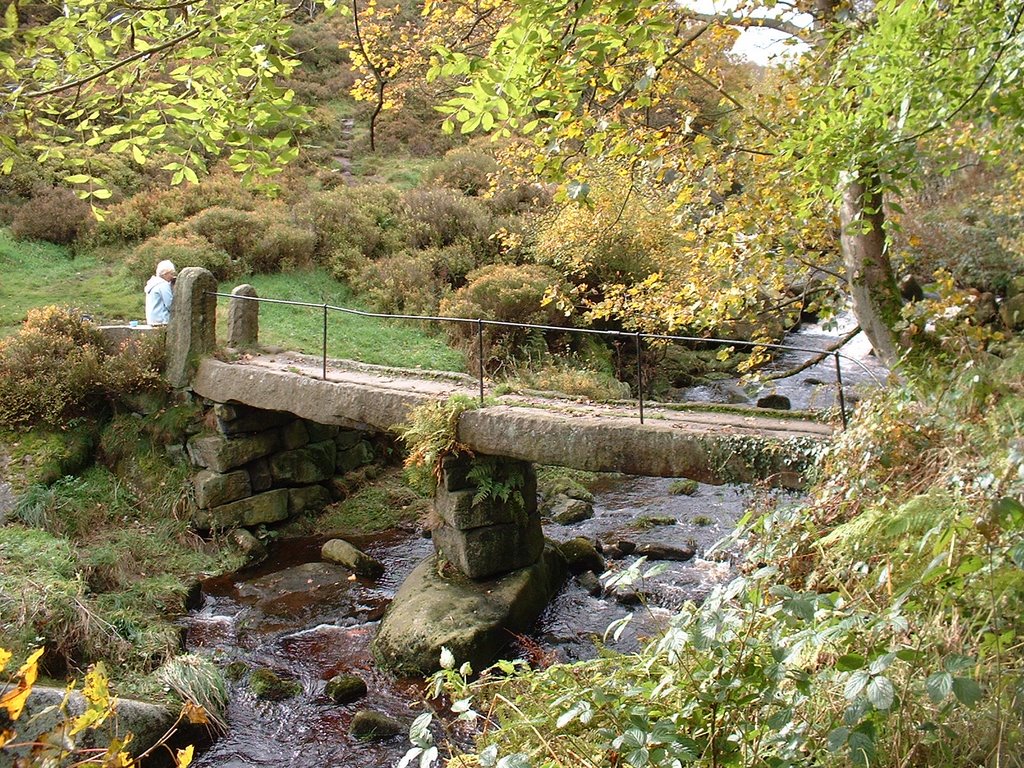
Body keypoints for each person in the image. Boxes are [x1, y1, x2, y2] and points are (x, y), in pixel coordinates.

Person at [144, 260, 177, 325]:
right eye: (171, 274)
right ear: (164, 274)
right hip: (162, 321)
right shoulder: (163, 285)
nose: (172, 276)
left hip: (152, 320)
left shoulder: (153, 283)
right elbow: (170, 304)